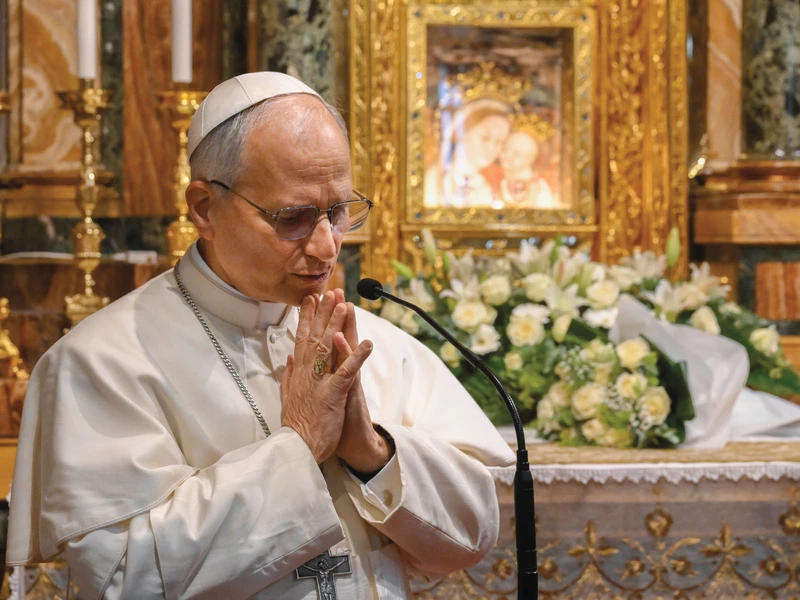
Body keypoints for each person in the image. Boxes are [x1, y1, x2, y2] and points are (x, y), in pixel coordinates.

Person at [7, 72, 515, 599]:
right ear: (204, 208)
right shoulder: (105, 361)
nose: (326, 246)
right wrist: (299, 447)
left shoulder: (381, 348)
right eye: (292, 218)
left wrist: (371, 450)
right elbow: (123, 580)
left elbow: (471, 539)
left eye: (339, 212)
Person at [424, 98, 512, 208]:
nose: (492, 148)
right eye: (485, 138)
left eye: (500, 142)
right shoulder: (434, 179)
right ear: (462, 132)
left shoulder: (487, 189)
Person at [498, 130, 559, 209]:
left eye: (516, 153)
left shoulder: (540, 189)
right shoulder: (495, 180)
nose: (506, 155)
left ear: (530, 159)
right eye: (505, 150)